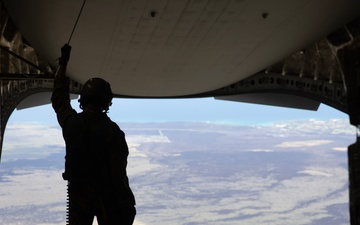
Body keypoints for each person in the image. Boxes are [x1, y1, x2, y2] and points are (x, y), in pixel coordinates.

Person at [51, 44, 136, 225]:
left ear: (83, 99)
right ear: (107, 102)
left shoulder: (71, 123)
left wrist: (63, 63)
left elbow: (59, 99)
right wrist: (127, 204)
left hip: (78, 194)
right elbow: (118, 173)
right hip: (106, 197)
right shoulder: (112, 131)